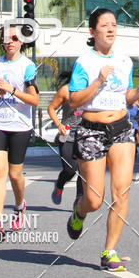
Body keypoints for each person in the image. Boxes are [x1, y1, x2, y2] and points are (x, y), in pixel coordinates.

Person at [66, 8, 139, 271]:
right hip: (92, 130)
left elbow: (125, 98)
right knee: (94, 200)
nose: (110, 29)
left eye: (114, 25)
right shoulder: (84, 62)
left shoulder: (125, 61)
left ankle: (109, 251)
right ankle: (79, 211)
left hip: (121, 129)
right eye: (104, 25)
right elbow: (74, 101)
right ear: (92, 32)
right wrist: (97, 81)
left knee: (122, 192)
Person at [0, 25, 40, 241]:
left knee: (14, 174)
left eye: (15, 38)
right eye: (7, 38)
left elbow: (34, 100)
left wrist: (12, 90)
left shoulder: (27, 66)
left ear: (22, 42)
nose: (10, 42)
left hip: (19, 126)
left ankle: (19, 206)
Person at [47, 70, 84, 205]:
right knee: (70, 171)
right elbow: (51, 108)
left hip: (85, 136)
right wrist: (59, 125)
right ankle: (59, 185)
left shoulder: (91, 90)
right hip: (67, 136)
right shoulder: (65, 90)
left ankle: (79, 201)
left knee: (83, 173)